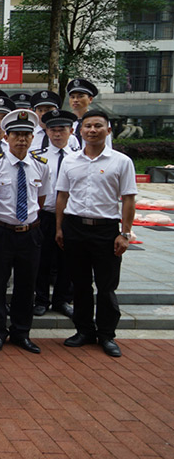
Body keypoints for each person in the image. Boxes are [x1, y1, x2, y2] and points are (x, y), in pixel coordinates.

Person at [56, 110, 137, 357]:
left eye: (98, 126)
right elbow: (62, 195)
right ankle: (84, 331)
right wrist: (59, 228)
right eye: (88, 126)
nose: (92, 130)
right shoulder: (70, 160)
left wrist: (125, 233)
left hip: (106, 230)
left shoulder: (122, 161)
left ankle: (107, 335)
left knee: (106, 285)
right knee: (80, 283)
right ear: (80, 131)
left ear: (108, 130)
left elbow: (129, 199)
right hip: (75, 227)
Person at [0, 110, 49, 355]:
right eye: (16, 135)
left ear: (32, 138)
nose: (21, 140)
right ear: (6, 137)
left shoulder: (41, 165)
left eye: (26, 135)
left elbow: (40, 199)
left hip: (30, 233)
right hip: (2, 231)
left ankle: (22, 332)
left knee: (26, 284)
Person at [32, 109, 78, 318]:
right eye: (53, 130)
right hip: (45, 214)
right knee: (42, 259)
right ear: (47, 131)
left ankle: (62, 299)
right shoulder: (37, 157)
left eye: (62, 130)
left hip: (71, 215)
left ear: (71, 131)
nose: (57, 134)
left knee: (67, 259)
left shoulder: (79, 157)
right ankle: (41, 299)